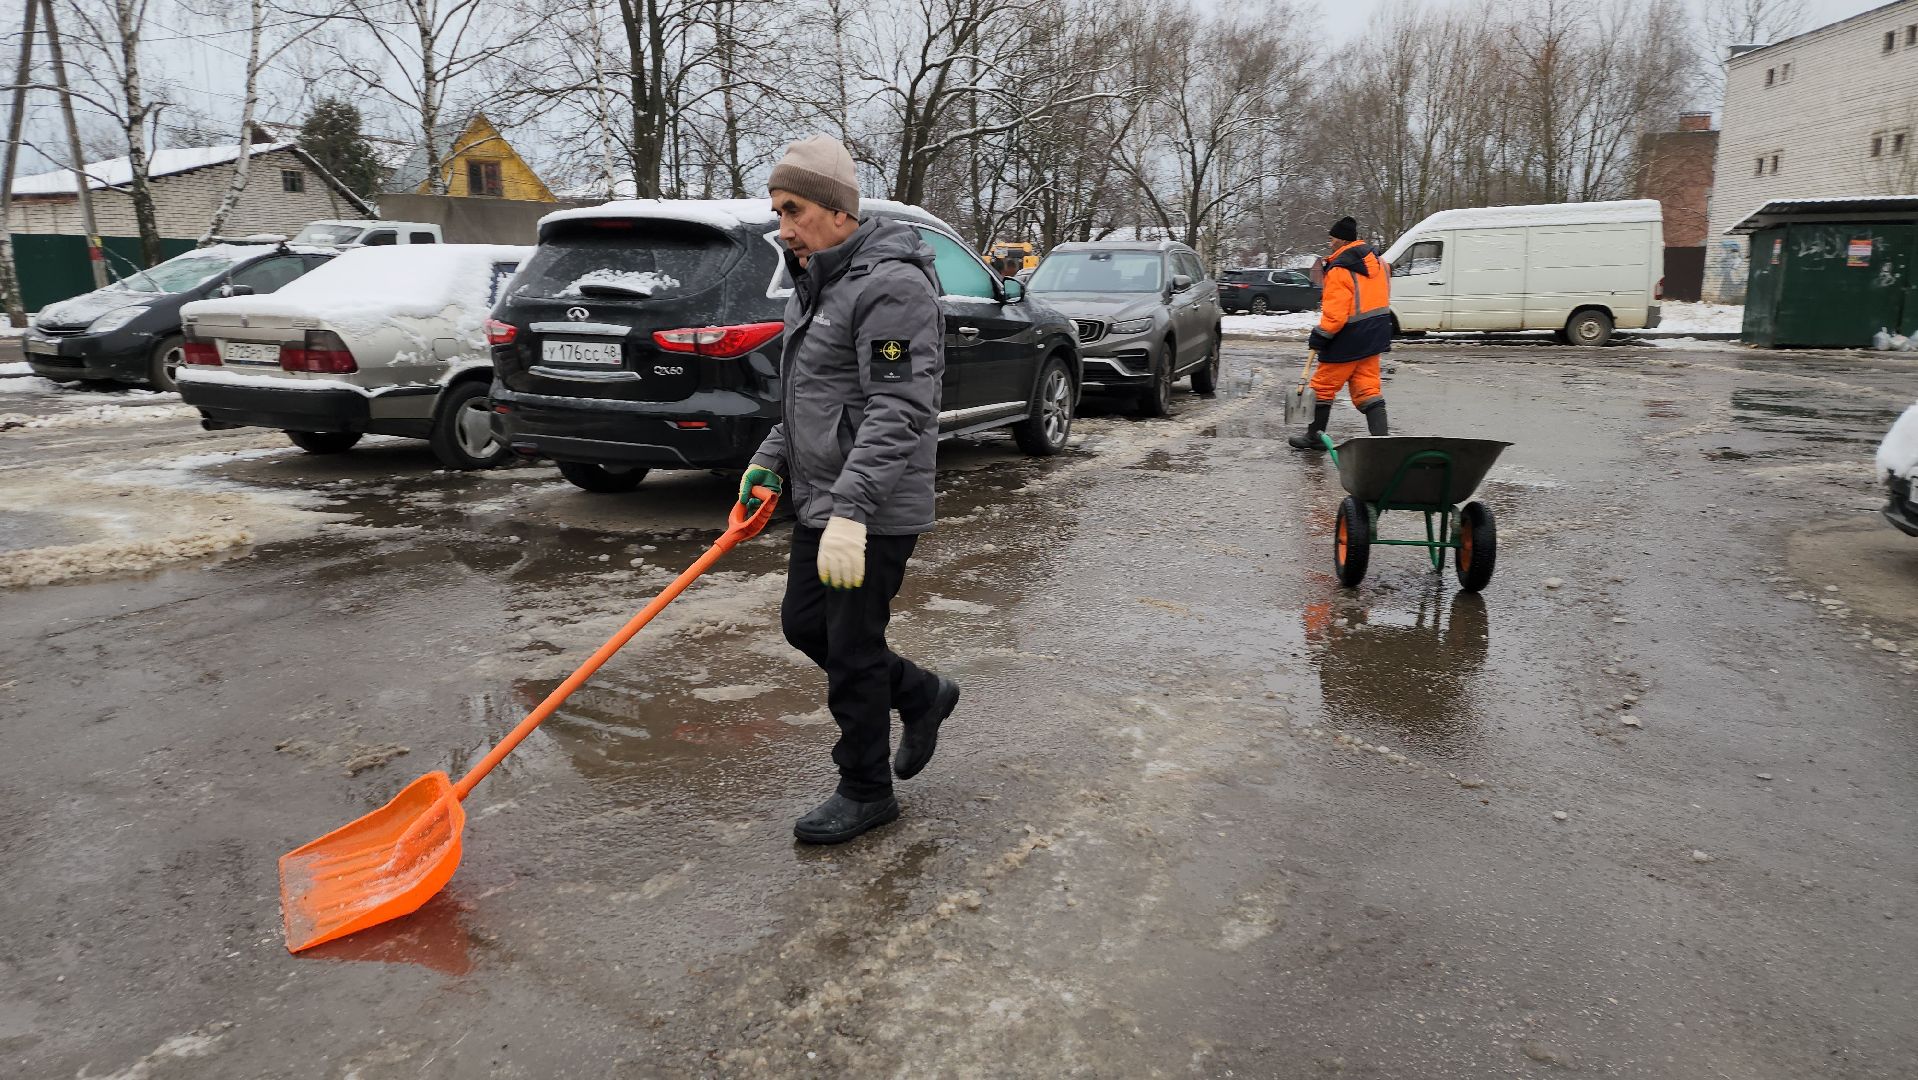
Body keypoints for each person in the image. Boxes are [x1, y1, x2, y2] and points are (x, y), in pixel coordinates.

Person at [737, 134, 961, 845]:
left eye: (794, 209)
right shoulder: (820, 279)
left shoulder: (892, 287)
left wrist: (852, 512)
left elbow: (899, 408)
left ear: (838, 210)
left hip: (871, 508)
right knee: (807, 626)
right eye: (777, 210)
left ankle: (866, 790)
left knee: (853, 648)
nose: (784, 226)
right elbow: (812, 394)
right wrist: (770, 459)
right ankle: (922, 694)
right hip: (824, 499)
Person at [1289, 216, 1392, 450]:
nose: (1330, 243)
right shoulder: (1381, 264)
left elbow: (1335, 315)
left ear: (1342, 241)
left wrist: (1320, 335)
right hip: (1375, 334)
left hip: (1347, 337)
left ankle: (1314, 437)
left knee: (1323, 387)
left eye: (1332, 239)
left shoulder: (1339, 269)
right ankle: (1383, 442)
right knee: (1368, 388)